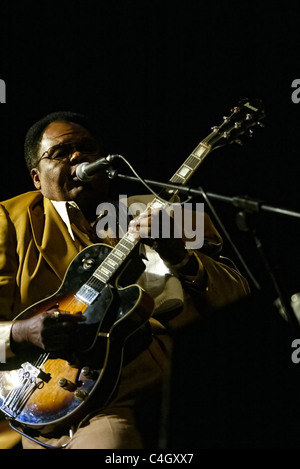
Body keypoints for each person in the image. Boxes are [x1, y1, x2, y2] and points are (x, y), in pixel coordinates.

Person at [0, 111, 249, 449]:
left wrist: (182, 256)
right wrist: (24, 331)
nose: (77, 157)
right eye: (60, 152)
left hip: (130, 398)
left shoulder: (160, 213)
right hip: (32, 406)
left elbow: (238, 300)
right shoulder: (8, 221)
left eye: (87, 148)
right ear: (36, 178)